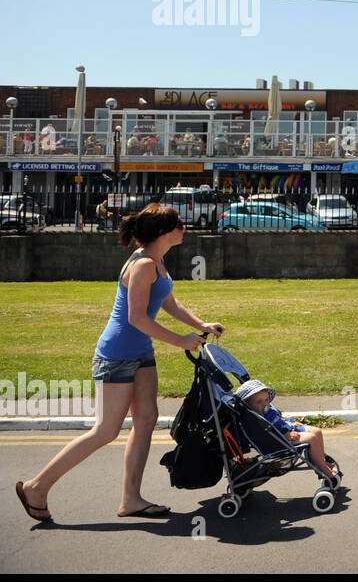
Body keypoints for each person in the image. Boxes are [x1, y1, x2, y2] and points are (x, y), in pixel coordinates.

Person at [15, 204, 223, 523]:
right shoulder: (141, 265)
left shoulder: (156, 260)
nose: (184, 227)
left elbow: (167, 301)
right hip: (116, 356)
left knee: (147, 420)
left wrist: (200, 325)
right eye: (178, 224)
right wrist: (180, 340)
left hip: (140, 354)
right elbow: (136, 317)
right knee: (106, 430)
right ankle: (36, 487)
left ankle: (131, 499)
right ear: (163, 233)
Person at [235, 379, 337, 482]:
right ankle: (321, 467)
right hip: (280, 440)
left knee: (317, 431)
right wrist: (285, 435)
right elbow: (267, 434)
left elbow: (278, 421)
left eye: (266, 400)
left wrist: (290, 424)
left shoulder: (267, 412)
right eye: (259, 402)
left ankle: (320, 461)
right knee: (311, 438)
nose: (265, 404)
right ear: (249, 406)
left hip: (288, 430)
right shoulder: (256, 419)